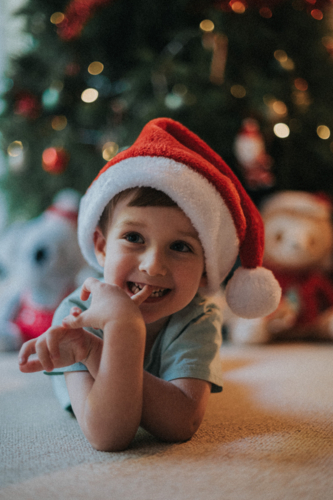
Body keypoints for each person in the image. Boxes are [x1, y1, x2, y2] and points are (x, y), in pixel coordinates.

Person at [18, 118, 281, 452]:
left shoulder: (198, 316)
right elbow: (109, 434)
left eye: (181, 247)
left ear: (206, 272)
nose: (153, 265)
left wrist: (115, 338)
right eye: (133, 237)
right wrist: (111, 335)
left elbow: (180, 423)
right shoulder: (76, 316)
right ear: (101, 247)